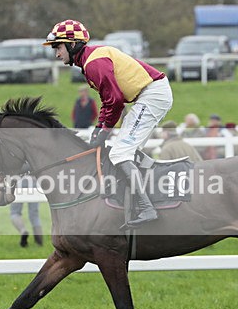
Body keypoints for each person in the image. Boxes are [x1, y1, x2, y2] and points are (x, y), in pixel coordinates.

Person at [44, 19, 173, 228]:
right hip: (148, 94)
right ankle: (141, 198)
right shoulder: (89, 62)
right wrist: (101, 127)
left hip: (151, 95)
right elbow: (109, 101)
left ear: (73, 44)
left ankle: (146, 206)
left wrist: (102, 129)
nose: (57, 53)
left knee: (120, 152)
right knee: (124, 148)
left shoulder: (93, 63)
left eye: (58, 47)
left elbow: (115, 101)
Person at [9, 169, 42, 247]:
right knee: (34, 214)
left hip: (19, 180)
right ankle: (39, 241)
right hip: (33, 180)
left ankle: (23, 231)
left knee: (15, 212)